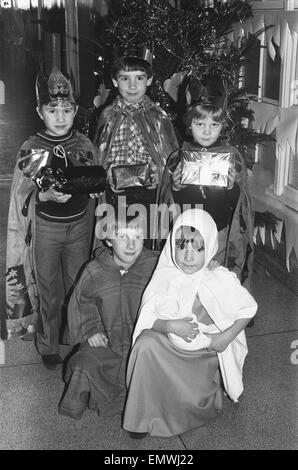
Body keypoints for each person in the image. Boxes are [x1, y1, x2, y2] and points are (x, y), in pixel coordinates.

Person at [122, 208, 257, 438]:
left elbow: (248, 309)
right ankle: (142, 416)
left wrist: (225, 338)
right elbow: (147, 318)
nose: (187, 255)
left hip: (203, 354)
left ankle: (191, 402)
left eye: (198, 248)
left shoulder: (218, 277)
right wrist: (170, 326)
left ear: (211, 246)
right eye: (182, 245)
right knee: (145, 345)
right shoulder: (167, 274)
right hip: (170, 346)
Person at [6, 66, 102, 369]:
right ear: (40, 111)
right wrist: (41, 196)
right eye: (52, 109)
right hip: (46, 228)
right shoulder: (31, 147)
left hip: (80, 227)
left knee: (77, 283)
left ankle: (75, 337)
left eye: (66, 109)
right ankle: (48, 343)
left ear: (74, 110)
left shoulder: (84, 145)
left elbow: (96, 186)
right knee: (47, 287)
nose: (60, 116)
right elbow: (21, 195)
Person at [58, 211, 158, 420]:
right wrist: (91, 330)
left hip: (143, 341)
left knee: (151, 369)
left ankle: (138, 413)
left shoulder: (155, 265)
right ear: (108, 240)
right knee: (83, 362)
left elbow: (185, 270)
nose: (131, 245)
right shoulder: (94, 270)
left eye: (137, 236)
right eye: (122, 237)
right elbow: (81, 302)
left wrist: (209, 267)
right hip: (107, 340)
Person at [159, 77, 254, 287]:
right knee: (185, 277)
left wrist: (231, 187)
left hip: (219, 231)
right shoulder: (178, 158)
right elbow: (167, 203)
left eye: (214, 124)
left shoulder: (232, 158)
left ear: (222, 126)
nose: (207, 130)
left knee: (214, 278)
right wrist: (175, 187)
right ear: (189, 125)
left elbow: (241, 207)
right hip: (187, 231)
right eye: (199, 123)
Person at [94, 53, 178, 248]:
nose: (132, 86)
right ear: (115, 82)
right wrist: (103, 175)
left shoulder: (158, 117)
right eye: (125, 79)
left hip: (149, 193)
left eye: (139, 78)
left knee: (147, 240)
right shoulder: (107, 115)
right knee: (119, 242)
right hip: (116, 192)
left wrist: (162, 175)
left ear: (149, 80)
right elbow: (99, 152)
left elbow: (169, 155)